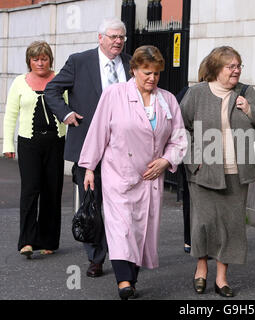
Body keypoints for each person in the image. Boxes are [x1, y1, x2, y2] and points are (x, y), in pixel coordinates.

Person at [78, 45, 187, 300]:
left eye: (157, 74)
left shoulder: (168, 100)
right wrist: (89, 168)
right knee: (121, 228)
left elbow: (179, 138)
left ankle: (132, 279)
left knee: (141, 230)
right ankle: (124, 282)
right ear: (134, 70)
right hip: (119, 174)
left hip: (150, 178)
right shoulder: (114, 95)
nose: (152, 78)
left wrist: (166, 161)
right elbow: (98, 132)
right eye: (147, 72)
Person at [180, 46, 255, 297]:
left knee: (232, 227)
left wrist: (250, 110)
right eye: (230, 66)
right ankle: (201, 268)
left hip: (236, 172)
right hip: (203, 172)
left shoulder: (246, 92)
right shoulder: (197, 93)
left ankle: (221, 278)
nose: (236, 70)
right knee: (203, 223)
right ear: (216, 69)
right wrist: (193, 160)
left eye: (238, 66)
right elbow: (181, 128)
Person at [45, 17, 131, 278]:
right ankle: (95, 258)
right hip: (88, 145)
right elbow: (52, 90)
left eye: (122, 37)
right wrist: (66, 113)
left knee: (122, 205)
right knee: (92, 203)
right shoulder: (79, 61)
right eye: (113, 36)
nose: (118, 41)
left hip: (124, 148)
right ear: (100, 38)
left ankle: (123, 256)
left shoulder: (131, 64)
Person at [2, 41, 66, 258]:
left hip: (55, 143)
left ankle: (48, 240)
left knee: (52, 190)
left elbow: (68, 109)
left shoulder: (60, 80)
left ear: (50, 60)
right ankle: (27, 241)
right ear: (29, 61)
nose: (40, 63)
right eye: (36, 59)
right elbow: (10, 115)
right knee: (30, 190)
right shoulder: (19, 83)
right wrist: (8, 144)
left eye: (44, 58)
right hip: (29, 144)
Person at [176, 58, 207, 255]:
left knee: (195, 198)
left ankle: (193, 239)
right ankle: (191, 239)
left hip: (201, 152)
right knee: (193, 197)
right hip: (192, 152)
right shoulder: (192, 93)